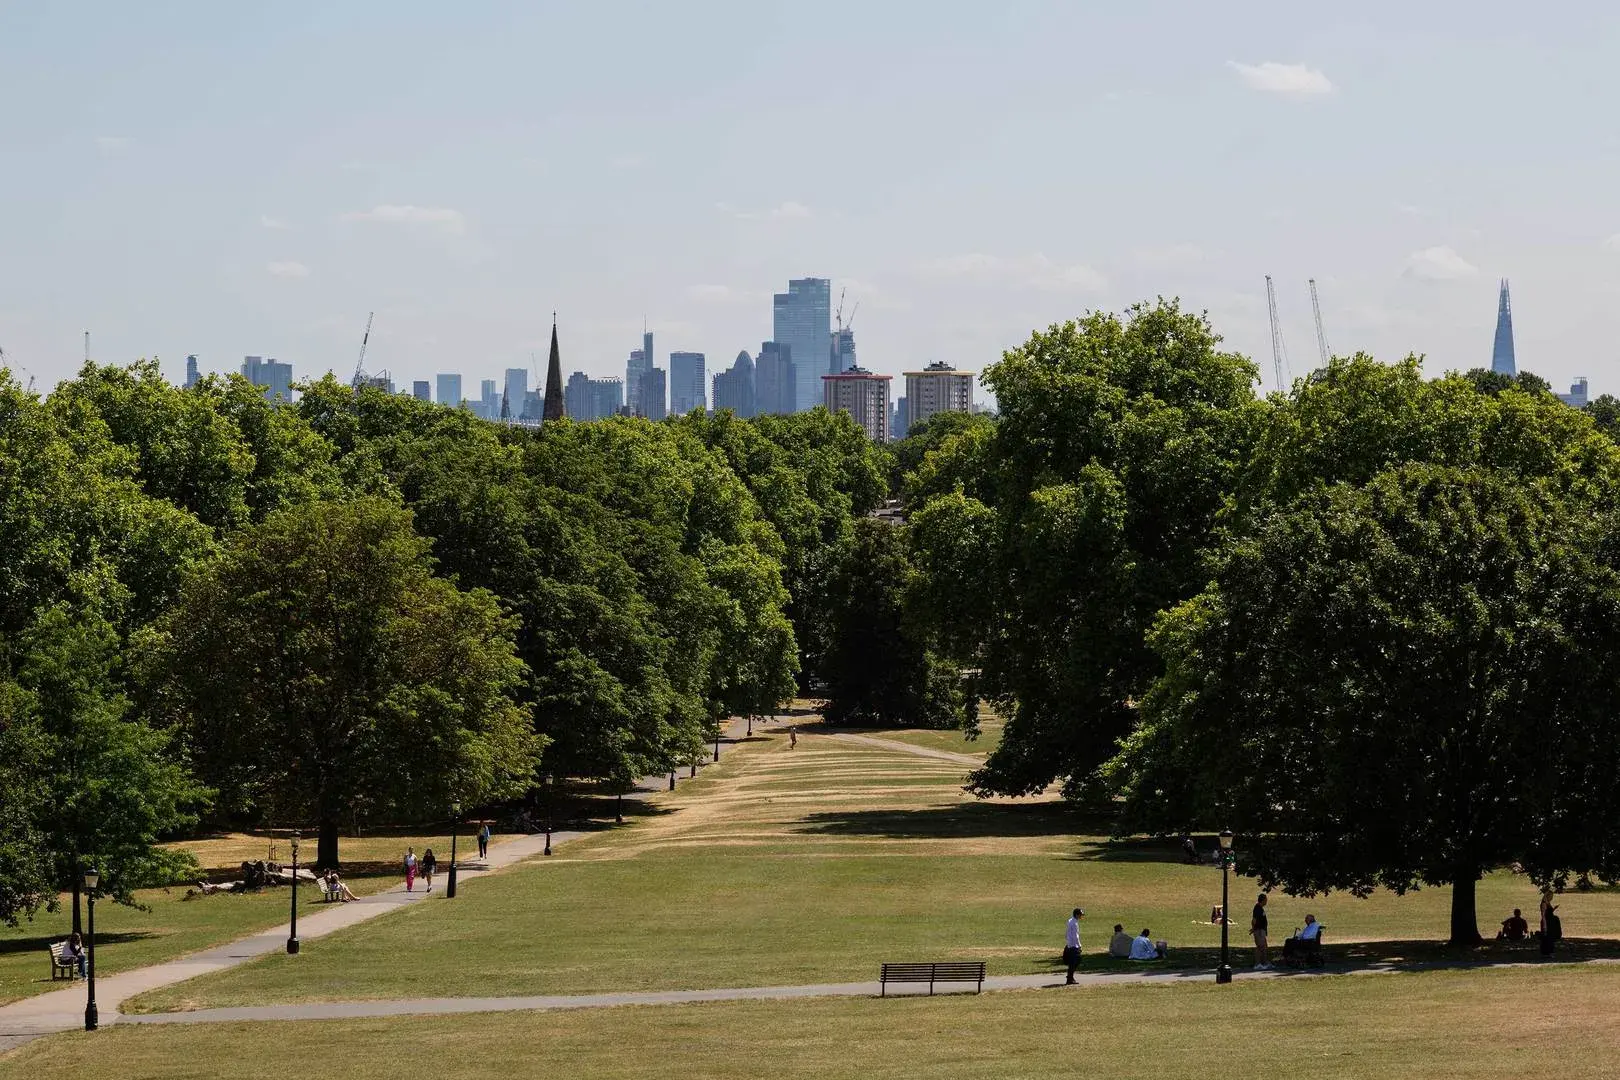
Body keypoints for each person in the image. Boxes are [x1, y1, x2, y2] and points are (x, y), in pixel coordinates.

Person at [1063, 908, 1084, 984]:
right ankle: (1069, 978)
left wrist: (1067, 941)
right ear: (1076, 915)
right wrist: (1079, 946)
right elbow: (1076, 936)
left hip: (1069, 944)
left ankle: (1070, 977)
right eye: (1080, 914)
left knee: (1074, 962)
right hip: (1073, 946)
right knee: (1075, 961)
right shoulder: (1074, 923)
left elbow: (1066, 933)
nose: (1081, 916)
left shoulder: (1070, 921)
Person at [1251, 893, 1271, 970]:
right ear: (1262, 900)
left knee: (1264, 946)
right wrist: (1253, 928)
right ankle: (1257, 964)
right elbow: (1254, 920)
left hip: (1262, 930)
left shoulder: (1260, 908)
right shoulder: (1257, 908)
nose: (1266, 901)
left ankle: (1265, 962)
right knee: (1260, 946)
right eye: (1266, 900)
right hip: (1258, 930)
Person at [1539, 891, 1560, 956]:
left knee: (1551, 937)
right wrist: (1545, 926)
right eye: (1551, 896)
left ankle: (1550, 951)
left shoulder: (1548, 903)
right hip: (1547, 922)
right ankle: (1546, 952)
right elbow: (1543, 915)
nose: (1551, 898)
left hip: (1551, 922)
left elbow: (1550, 912)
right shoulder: (1544, 904)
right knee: (1547, 937)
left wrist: (1554, 908)